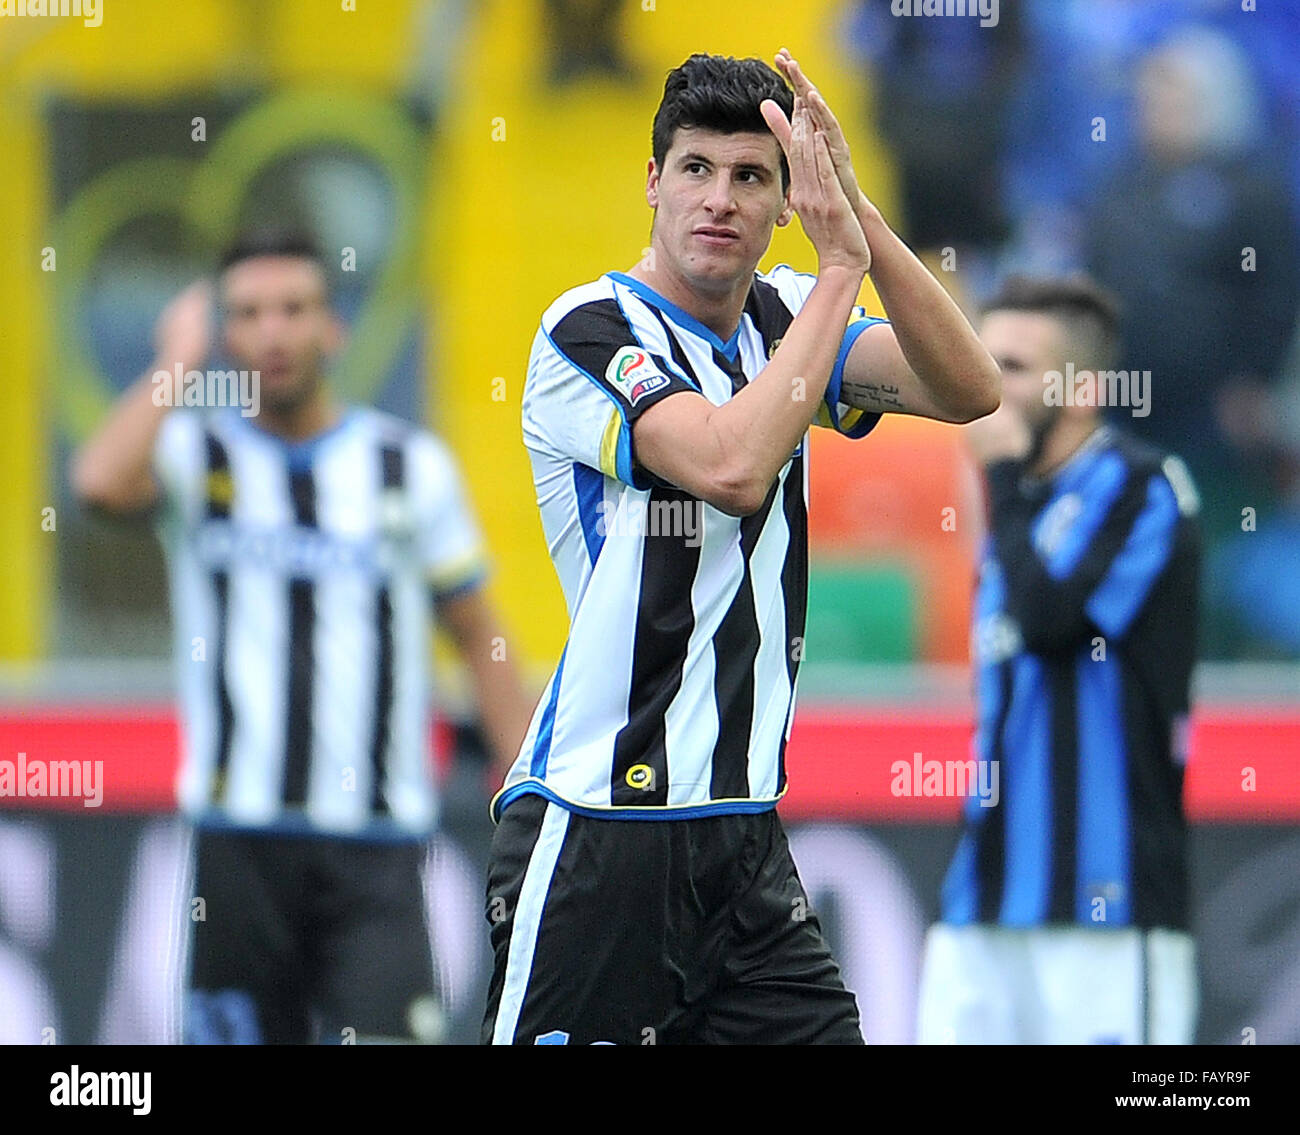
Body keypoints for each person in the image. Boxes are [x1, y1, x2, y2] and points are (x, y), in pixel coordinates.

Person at [481, 50, 1000, 1045]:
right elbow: (728, 466)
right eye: (695, 170)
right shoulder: (585, 330)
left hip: (743, 840)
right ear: (652, 183)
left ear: (781, 201)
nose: (719, 200)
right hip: (601, 827)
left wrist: (858, 221)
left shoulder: (782, 317)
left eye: (751, 177)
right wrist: (838, 275)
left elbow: (966, 388)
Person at [71, 230, 534, 1044]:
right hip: (238, 848)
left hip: (376, 850)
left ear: (334, 327)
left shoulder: (405, 467)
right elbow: (99, 483)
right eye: (248, 313)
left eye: (294, 309)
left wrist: (533, 807)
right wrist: (176, 361)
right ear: (224, 331)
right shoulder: (194, 456)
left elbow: (478, 634)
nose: (274, 332)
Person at [918, 275, 1202, 1045]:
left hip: (1104, 904)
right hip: (983, 898)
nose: (985, 384)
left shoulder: (1142, 488)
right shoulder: (1016, 506)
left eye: (1011, 367)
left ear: (1083, 390)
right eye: (981, 358)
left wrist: (1003, 475)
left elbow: (1049, 621)